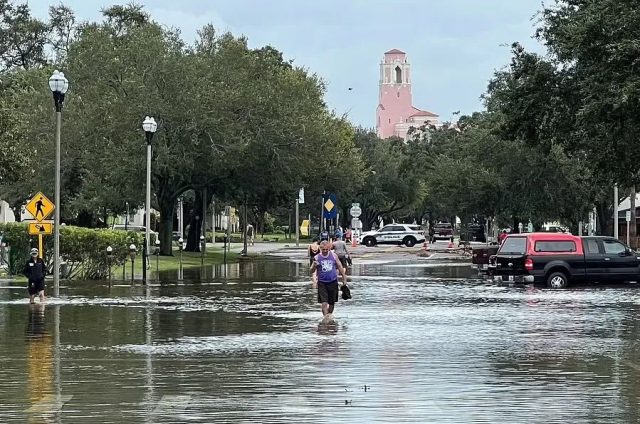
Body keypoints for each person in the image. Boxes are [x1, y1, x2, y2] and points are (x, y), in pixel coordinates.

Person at [310, 240, 348, 318]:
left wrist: (344, 277)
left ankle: (329, 316)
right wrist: (314, 265)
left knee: (332, 303)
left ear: (329, 249)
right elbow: (311, 271)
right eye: (323, 249)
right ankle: (326, 318)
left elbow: (340, 266)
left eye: (327, 249)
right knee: (324, 302)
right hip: (322, 283)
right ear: (320, 249)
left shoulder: (334, 256)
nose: (325, 251)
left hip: (333, 282)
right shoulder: (317, 258)